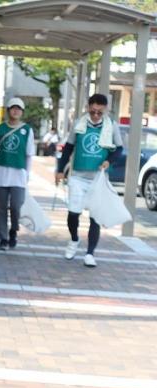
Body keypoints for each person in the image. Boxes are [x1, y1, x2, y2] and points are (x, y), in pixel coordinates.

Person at [54, 93, 123, 267]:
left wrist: (109, 160)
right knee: (73, 213)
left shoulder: (112, 126)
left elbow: (119, 149)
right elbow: (68, 147)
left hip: (98, 178)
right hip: (78, 176)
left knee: (95, 217)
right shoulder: (79, 124)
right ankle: (74, 239)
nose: (95, 115)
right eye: (93, 111)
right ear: (88, 108)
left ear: (105, 110)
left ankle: (90, 253)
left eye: (99, 112)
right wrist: (60, 169)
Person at [0, 97, 35, 251]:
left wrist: (28, 174)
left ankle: (13, 231)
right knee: (0, 207)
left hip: (19, 175)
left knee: (17, 206)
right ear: (8, 110)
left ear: (22, 112)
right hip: (1, 173)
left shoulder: (27, 130)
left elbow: (29, 154)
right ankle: (3, 238)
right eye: (13, 108)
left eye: (19, 108)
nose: (16, 111)